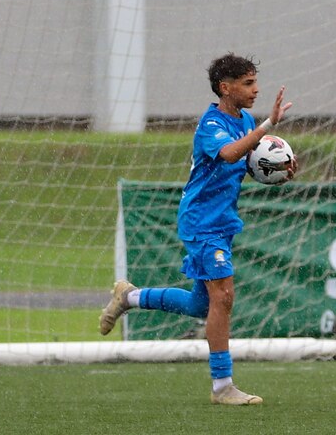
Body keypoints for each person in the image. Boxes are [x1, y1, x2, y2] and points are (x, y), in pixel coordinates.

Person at [99, 53, 296, 406]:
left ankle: (129, 297)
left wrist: (276, 170)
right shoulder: (211, 125)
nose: (256, 89)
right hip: (201, 222)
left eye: (255, 82)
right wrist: (268, 125)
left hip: (222, 222)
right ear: (226, 88)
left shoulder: (245, 120)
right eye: (248, 83)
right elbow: (231, 154)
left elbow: (245, 163)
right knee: (223, 297)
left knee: (200, 305)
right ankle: (222, 386)